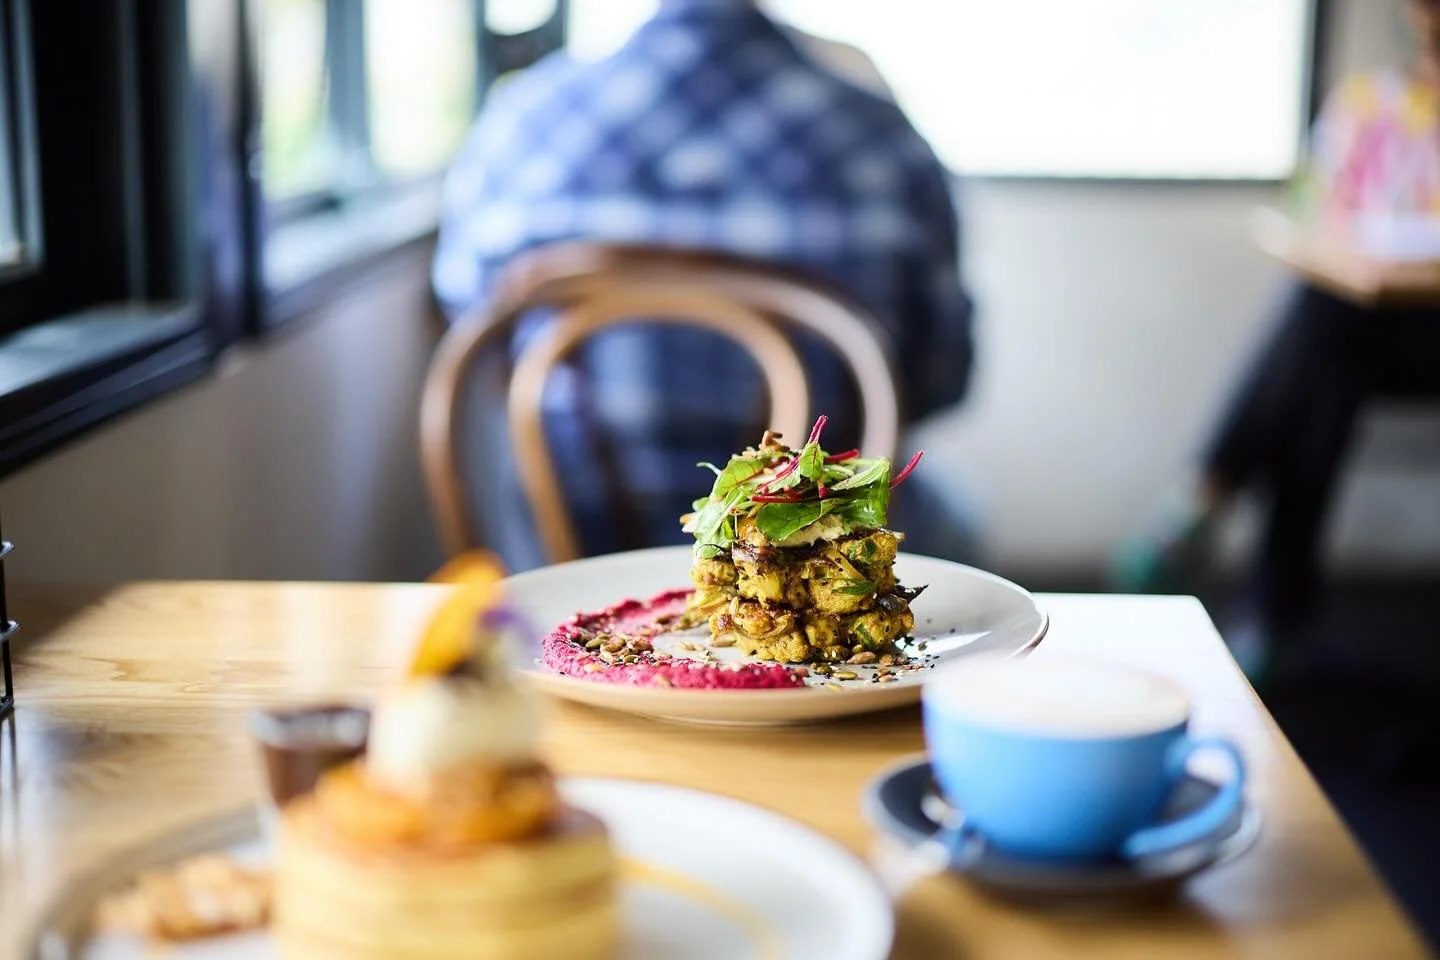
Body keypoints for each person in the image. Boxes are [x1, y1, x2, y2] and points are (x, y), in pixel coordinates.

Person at [433, 0, 975, 572]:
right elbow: (940, 378)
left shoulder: (524, 121)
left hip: (566, 550)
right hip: (815, 559)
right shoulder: (877, 135)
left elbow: (477, 331)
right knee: (956, 520)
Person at [1114, 0, 1440, 679]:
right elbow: (1308, 215)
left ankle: (1207, 500)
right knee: (1325, 344)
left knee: (1322, 344)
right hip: (1367, 328)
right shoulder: (1370, 104)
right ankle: (1273, 612)